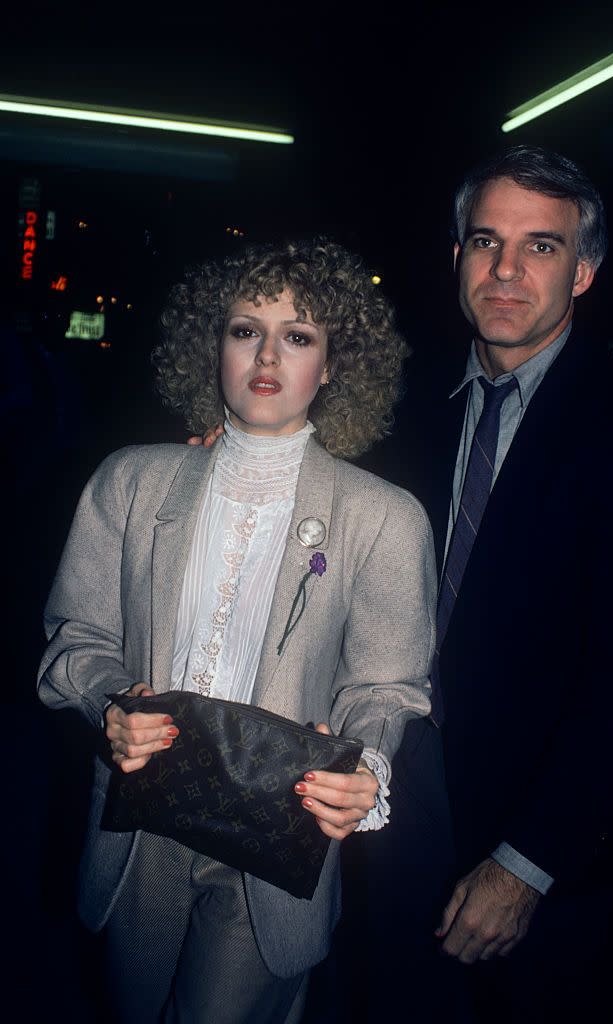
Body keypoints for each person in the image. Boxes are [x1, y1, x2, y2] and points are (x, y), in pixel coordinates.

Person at [37, 238, 437, 1024]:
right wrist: (110, 703)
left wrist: (369, 766)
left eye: (298, 336)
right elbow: (75, 639)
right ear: (209, 345)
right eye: (245, 329)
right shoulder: (130, 481)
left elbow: (388, 685)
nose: (267, 354)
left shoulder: (384, 517)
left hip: (278, 831)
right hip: (140, 820)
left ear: (332, 365)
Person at [380, 144, 613, 1023]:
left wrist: (527, 861)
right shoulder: (403, 408)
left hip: (544, 856)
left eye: (540, 246)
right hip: (393, 811)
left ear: (584, 272)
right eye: (483, 241)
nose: (505, 270)